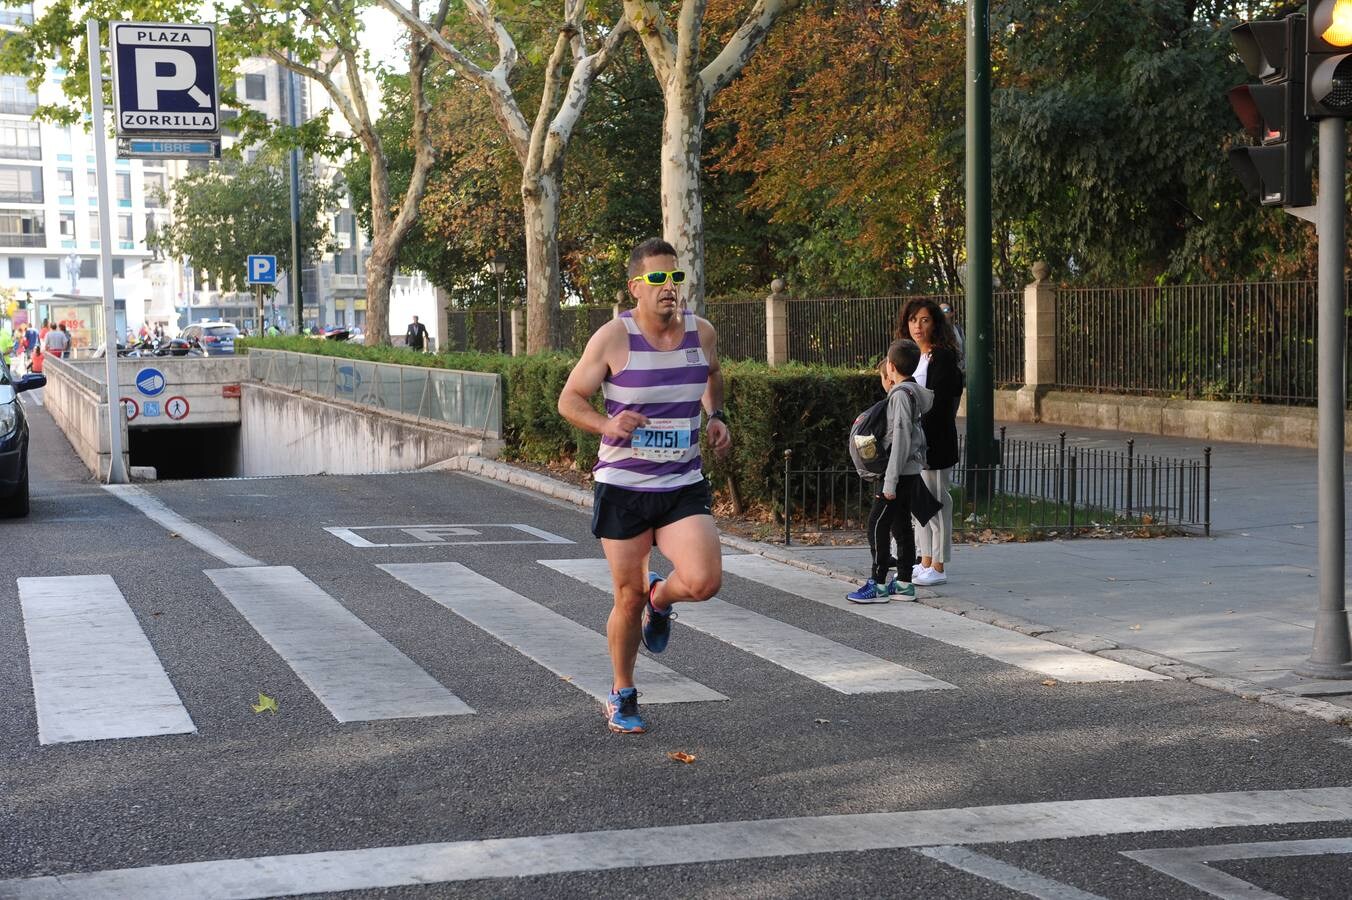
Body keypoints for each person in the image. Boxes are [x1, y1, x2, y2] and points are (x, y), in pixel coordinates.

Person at [557, 237, 732, 735]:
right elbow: (570, 399)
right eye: (657, 279)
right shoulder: (613, 338)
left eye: (675, 278)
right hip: (625, 486)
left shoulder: (703, 333)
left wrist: (714, 414)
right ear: (635, 286)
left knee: (703, 581)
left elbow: (712, 375)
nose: (669, 288)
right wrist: (605, 425)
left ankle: (664, 599)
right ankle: (622, 692)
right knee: (626, 596)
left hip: (681, 482)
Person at [848, 339, 932, 603]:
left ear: (891, 367)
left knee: (877, 524)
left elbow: (901, 440)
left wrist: (889, 482)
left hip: (896, 473)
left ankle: (879, 582)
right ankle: (905, 582)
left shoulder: (899, 396)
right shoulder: (914, 392)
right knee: (901, 524)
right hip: (909, 471)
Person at [895, 297, 964, 587]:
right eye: (913, 320)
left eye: (924, 319)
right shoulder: (912, 356)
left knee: (937, 502)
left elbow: (939, 404)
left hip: (935, 442)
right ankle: (923, 560)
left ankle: (938, 563)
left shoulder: (943, 357)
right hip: (915, 443)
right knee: (919, 504)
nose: (918, 326)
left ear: (935, 322)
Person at [939, 301, 966, 367]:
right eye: (940, 310)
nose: (942, 313)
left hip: (958, 369)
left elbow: (965, 351)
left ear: (952, 313)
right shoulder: (934, 330)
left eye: (945, 310)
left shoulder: (958, 330)